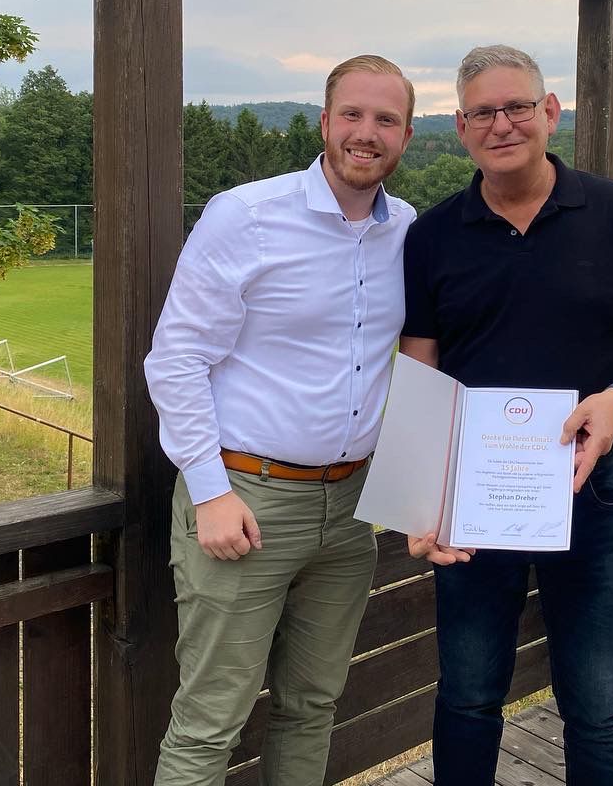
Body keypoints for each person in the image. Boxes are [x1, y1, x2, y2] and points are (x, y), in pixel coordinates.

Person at [400, 44, 613, 786]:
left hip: (591, 487)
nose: (501, 124)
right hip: (474, 494)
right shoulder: (433, 234)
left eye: (517, 107)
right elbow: (419, 369)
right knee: (468, 693)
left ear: (550, 112)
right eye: (482, 113)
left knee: (596, 701)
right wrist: (418, 498)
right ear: (460, 128)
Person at [145, 54, 419, 786]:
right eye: (352, 114)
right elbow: (175, 360)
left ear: (407, 135)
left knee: (312, 705)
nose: (366, 132)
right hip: (245, 499)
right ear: (325, 123)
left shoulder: (406, 232)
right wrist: (210, 492)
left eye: (386, 119)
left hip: (349, 510)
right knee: (210, 721)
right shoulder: (247, 216)